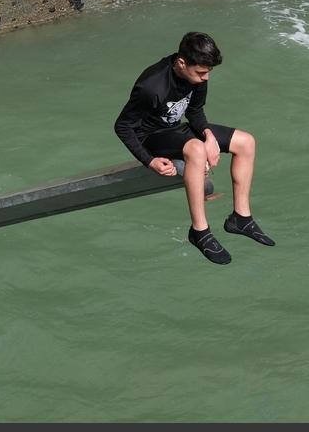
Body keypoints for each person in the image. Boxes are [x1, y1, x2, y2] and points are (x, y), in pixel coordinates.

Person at [114, 32, 274, 265]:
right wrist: (149, 161)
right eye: (201, 72)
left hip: (175, 131)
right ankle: (200, 231)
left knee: (246, 142)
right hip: (151, 137)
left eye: (208, 72)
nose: (205, 78)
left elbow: (195, 111)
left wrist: (209, 136)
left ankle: (240, 218)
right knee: (196, 149)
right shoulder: (151, 86)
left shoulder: (197, 78)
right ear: (181, 63)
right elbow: (123, 126)